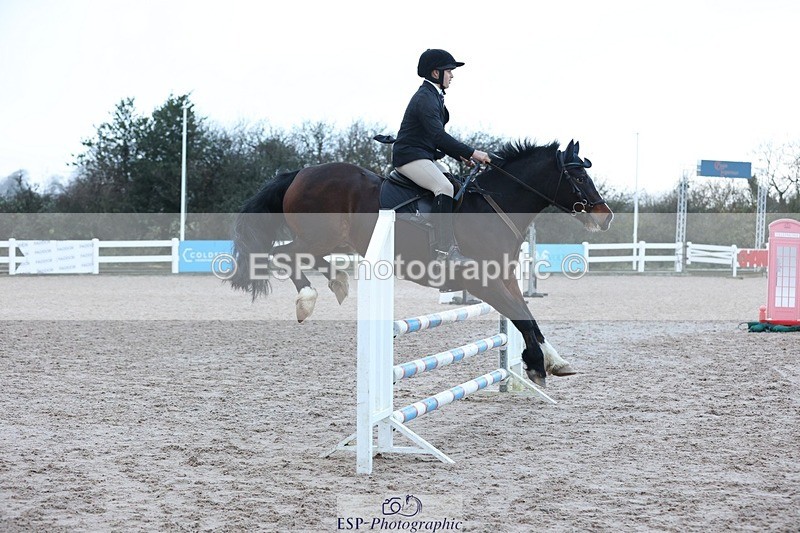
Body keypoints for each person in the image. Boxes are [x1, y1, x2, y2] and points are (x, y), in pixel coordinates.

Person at [392, 48, 492, 266]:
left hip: (424, 155)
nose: (452, 75)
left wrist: (461, 157)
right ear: (436, 73)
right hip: (410, 157)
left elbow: (436, 139)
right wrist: (473, 152)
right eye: (449, 71)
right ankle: (443, 252)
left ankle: (449, 239)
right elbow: (438, 135)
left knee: (455, 187)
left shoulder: (434, 96)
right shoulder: (425, 98)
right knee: (444, 188)